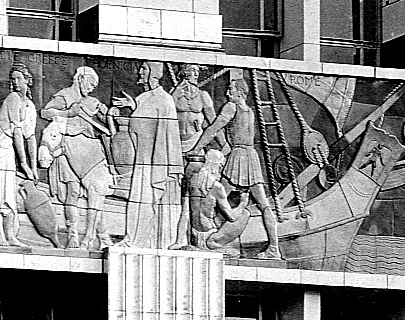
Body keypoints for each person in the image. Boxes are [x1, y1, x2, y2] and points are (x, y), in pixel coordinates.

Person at [186, 70, 283, 259]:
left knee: (214, 194)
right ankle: (274, 247)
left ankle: (207, 239)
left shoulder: (232, 107)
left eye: (230, 89)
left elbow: (214, 129)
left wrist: (197, 149)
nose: (227, 93)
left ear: (240, 92)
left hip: (239, 157)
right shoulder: (250, 112)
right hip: (251, 157)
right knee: (264, 205)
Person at [40, 66, 114, 249]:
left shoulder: (92, 102)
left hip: (88, 151)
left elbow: (104, 124)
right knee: (72, 193)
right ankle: (73, 235)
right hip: (66, 148)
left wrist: (107, 113)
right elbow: (45, 112)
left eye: (94, 86)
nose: (91, 88)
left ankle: (102, 237)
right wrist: (67, 113)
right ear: (80, 78)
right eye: (90, 83)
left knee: (96, 194)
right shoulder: (65, 96)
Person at [114, 61, 183, 249]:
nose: (140, 71)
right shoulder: (143, 98)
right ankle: (133, 239)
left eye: (144, 68)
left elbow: (169, 134)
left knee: (145, 200)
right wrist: (133, 106)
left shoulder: (165, 100)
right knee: (137, 200)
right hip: (142, 158)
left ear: (153, 72)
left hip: (155, 160)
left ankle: (139, 242)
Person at [0, 63, 39, 247]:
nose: (15, 82)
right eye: (12, 79)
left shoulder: (29, 105)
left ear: (27, 80)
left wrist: (33, 167)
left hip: (7, 148)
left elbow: (30, 136)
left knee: (9, 193)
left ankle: (10, 236)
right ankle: (0, 236)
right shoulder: (13, 98)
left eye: (18, 78)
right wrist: (23, 164)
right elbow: (16, 131)